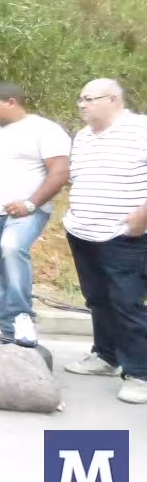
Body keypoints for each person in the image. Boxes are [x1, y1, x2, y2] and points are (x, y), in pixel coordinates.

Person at [0, 83, 71, 347]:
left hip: (28, 212)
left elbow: (59, 172)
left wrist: (30, 204)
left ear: (11, 102)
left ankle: (22, 316)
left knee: (12, 248)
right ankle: (5, 329)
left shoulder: (44, 130)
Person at [61, 78, 147, 404]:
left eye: (88, 99)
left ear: (113, 99)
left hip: (123, 235)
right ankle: (106, 356)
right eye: (80, 99)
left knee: (127, 303)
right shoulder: (83, 136)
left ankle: (140, 373)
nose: (81, 105)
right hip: (83, 231)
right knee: (97, 298)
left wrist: (142, 217)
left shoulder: (140, 130)